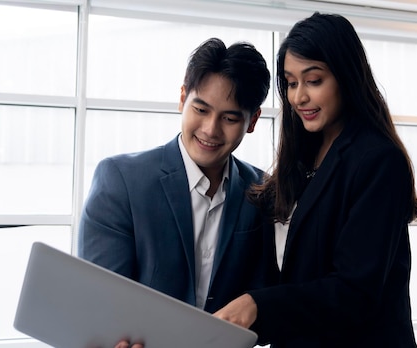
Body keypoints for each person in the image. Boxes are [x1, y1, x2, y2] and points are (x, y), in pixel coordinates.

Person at [213, 12, 417, 347]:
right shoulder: (299, 162)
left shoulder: (378, 160)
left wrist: (258, 305)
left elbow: (355, 292)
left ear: (345, 77)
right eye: (290, 83)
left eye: (313, 81)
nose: (299, 97)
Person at [78, 37, 272, 320]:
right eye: (201, 110)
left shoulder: (263, 191)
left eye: (229, 119)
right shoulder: (120, 181)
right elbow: (99, 304)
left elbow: (264, 299)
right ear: (183, 98)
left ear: (252, 121)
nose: (210, 130)